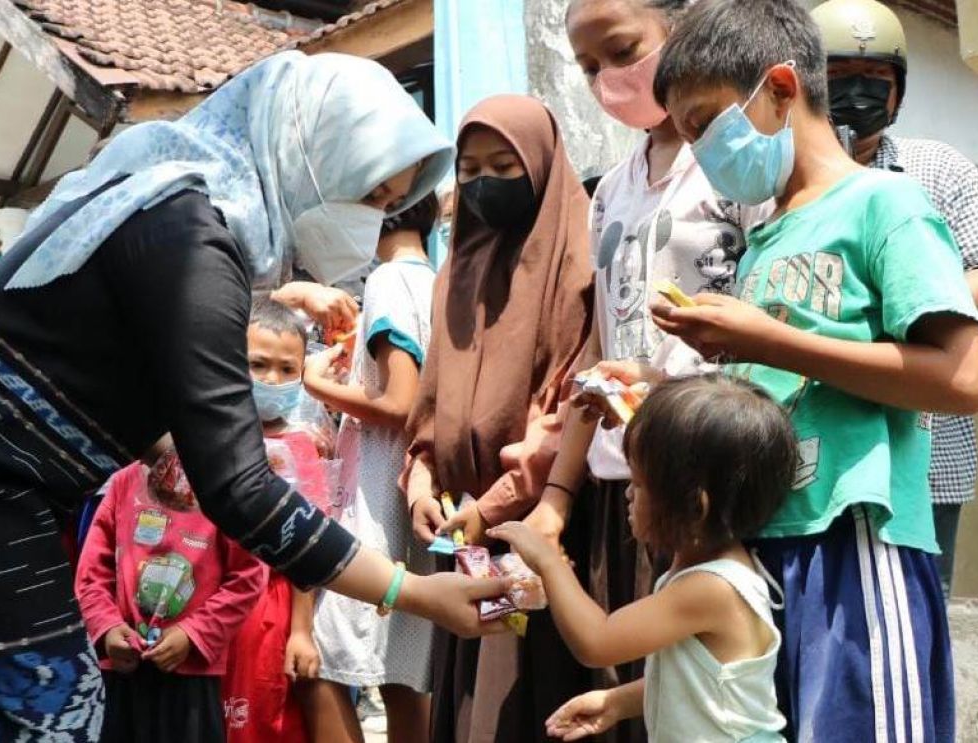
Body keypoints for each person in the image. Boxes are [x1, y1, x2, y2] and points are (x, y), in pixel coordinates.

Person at [0, 50, 507, 743]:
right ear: (310, 152)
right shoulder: (194, 237)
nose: (371, 223)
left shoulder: (171, 196)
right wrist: (412, 591)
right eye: (369, 195)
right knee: (53, 715)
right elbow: (240, 489)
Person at [650, 0, 978, 739]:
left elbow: (963, 378)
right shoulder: (769, 234)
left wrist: (767, 341)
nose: (701, 148)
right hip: (775, 542)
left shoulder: (886, 203)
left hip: (857, 540)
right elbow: (783, 390)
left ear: (779, 86)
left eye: (704, 122)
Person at [527, 5, 772, 739]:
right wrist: (558, 496)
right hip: (624, 484)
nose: (607, 78)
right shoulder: (611, 191)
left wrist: (665, 382)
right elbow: (601, 350)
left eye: (622, 50)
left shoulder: (738, 164)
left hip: (710, 477)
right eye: (588, 66)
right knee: (632, 696)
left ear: (680, 29)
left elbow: (773, 328)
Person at [813, 0, 978, 600]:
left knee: (915, 629)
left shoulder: (936, 169)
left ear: (900, 87)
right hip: (808, 459)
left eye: (875, 80)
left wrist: (889, 318)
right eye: (837, 79)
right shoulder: (780, 181)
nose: (856, 94)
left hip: (926, 459)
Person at [403, 95, 594, 743]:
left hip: (538, 525)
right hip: (463, 532)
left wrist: (496, 503)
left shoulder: (572, 260)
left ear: (539, 165)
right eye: (469, 168)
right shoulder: (456, 268)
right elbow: (431, 397)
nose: (484, 183)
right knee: (466, 698)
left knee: (522, 701)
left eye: (504, 165)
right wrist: (420, 479)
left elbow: (562, 405)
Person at [493, 375, 795, 742]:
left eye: (638, 484)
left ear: (695, 506)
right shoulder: (702, 571)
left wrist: (548, 561)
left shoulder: (711, 588)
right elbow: (697, 684)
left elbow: (597, 642)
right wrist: (618, 702)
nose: (628, 496)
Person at [300, 194, 440, 743]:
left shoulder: (386, 282)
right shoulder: (436, 280)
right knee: (402, 675)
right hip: (412, 490)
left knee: (323, 659)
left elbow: (399, 403)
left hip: (381, 498)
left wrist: (318, 385)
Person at [75, 437, 267, 743]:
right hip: (123, 673)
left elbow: (248, 577)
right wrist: (108, 628)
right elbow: (91, 574)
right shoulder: (123, 484)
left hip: (191, 678)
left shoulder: (223, 488)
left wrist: (193, 634)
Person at [223, 297, 330, 743]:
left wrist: (301, 631)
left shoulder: (302, 450)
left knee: (260, 716)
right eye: (258, 364)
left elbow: (309, 549)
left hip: (270, 609)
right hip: (204, 600)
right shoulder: (211, 439)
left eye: (288, 369)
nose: (273, 379)